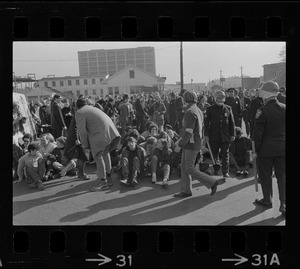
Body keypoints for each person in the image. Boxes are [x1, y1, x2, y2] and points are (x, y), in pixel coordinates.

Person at [173, 90, 225, 198]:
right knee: (184, 167)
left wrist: (180, 144)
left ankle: (211, 182)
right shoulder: (196, 110)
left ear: (185, 99)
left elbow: (188, 132)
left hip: (190, 144)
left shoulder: (189, 112)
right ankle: (186, 190)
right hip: (193, 142)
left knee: (189, 168)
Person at [252, 81, 286, 215]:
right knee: (282, 176)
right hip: (282, 148)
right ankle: (284, 203)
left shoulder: (262, 110)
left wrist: (255, 151)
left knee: (265, 176)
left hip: (265, 151)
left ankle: (267, 200)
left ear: (266, 93)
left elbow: (257, 134)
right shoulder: (284, 107)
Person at [75, 98, 121, 191]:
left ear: (76, 106)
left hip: (99, 135)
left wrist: (85, 145)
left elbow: (82, 131)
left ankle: (103, 181)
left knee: (98, 156)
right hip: (111, 133)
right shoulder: (94, 108)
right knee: (105, 153)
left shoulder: (80, 112)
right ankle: (109, 177)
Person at [204, 90, 236, 178]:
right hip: (214, 135)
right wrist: (206, 134)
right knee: (214, 153)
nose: (220, 99)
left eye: (222, 97)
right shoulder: (210, 109)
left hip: (225, 136)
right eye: (218, 98)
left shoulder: (228, 108)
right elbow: (206, 123)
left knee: (225, 154)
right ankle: (216, 169)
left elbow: (232, 123)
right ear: (215, 98)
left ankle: (225, 172)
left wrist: (232, 134)